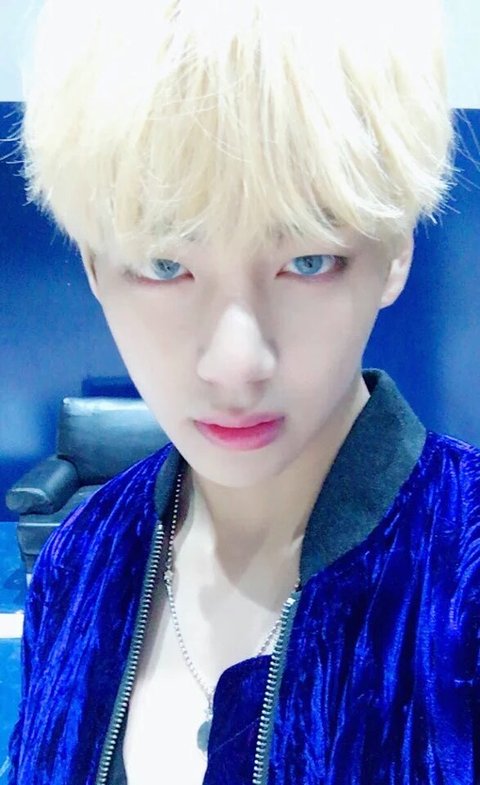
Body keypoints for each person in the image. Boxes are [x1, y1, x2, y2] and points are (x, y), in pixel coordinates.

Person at [7, 0, 480, 783]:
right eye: (165, 263)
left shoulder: (461, 577)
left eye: (309, 260)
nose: (236, 363)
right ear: (92, 264)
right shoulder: (76, 562)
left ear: (395, 251)